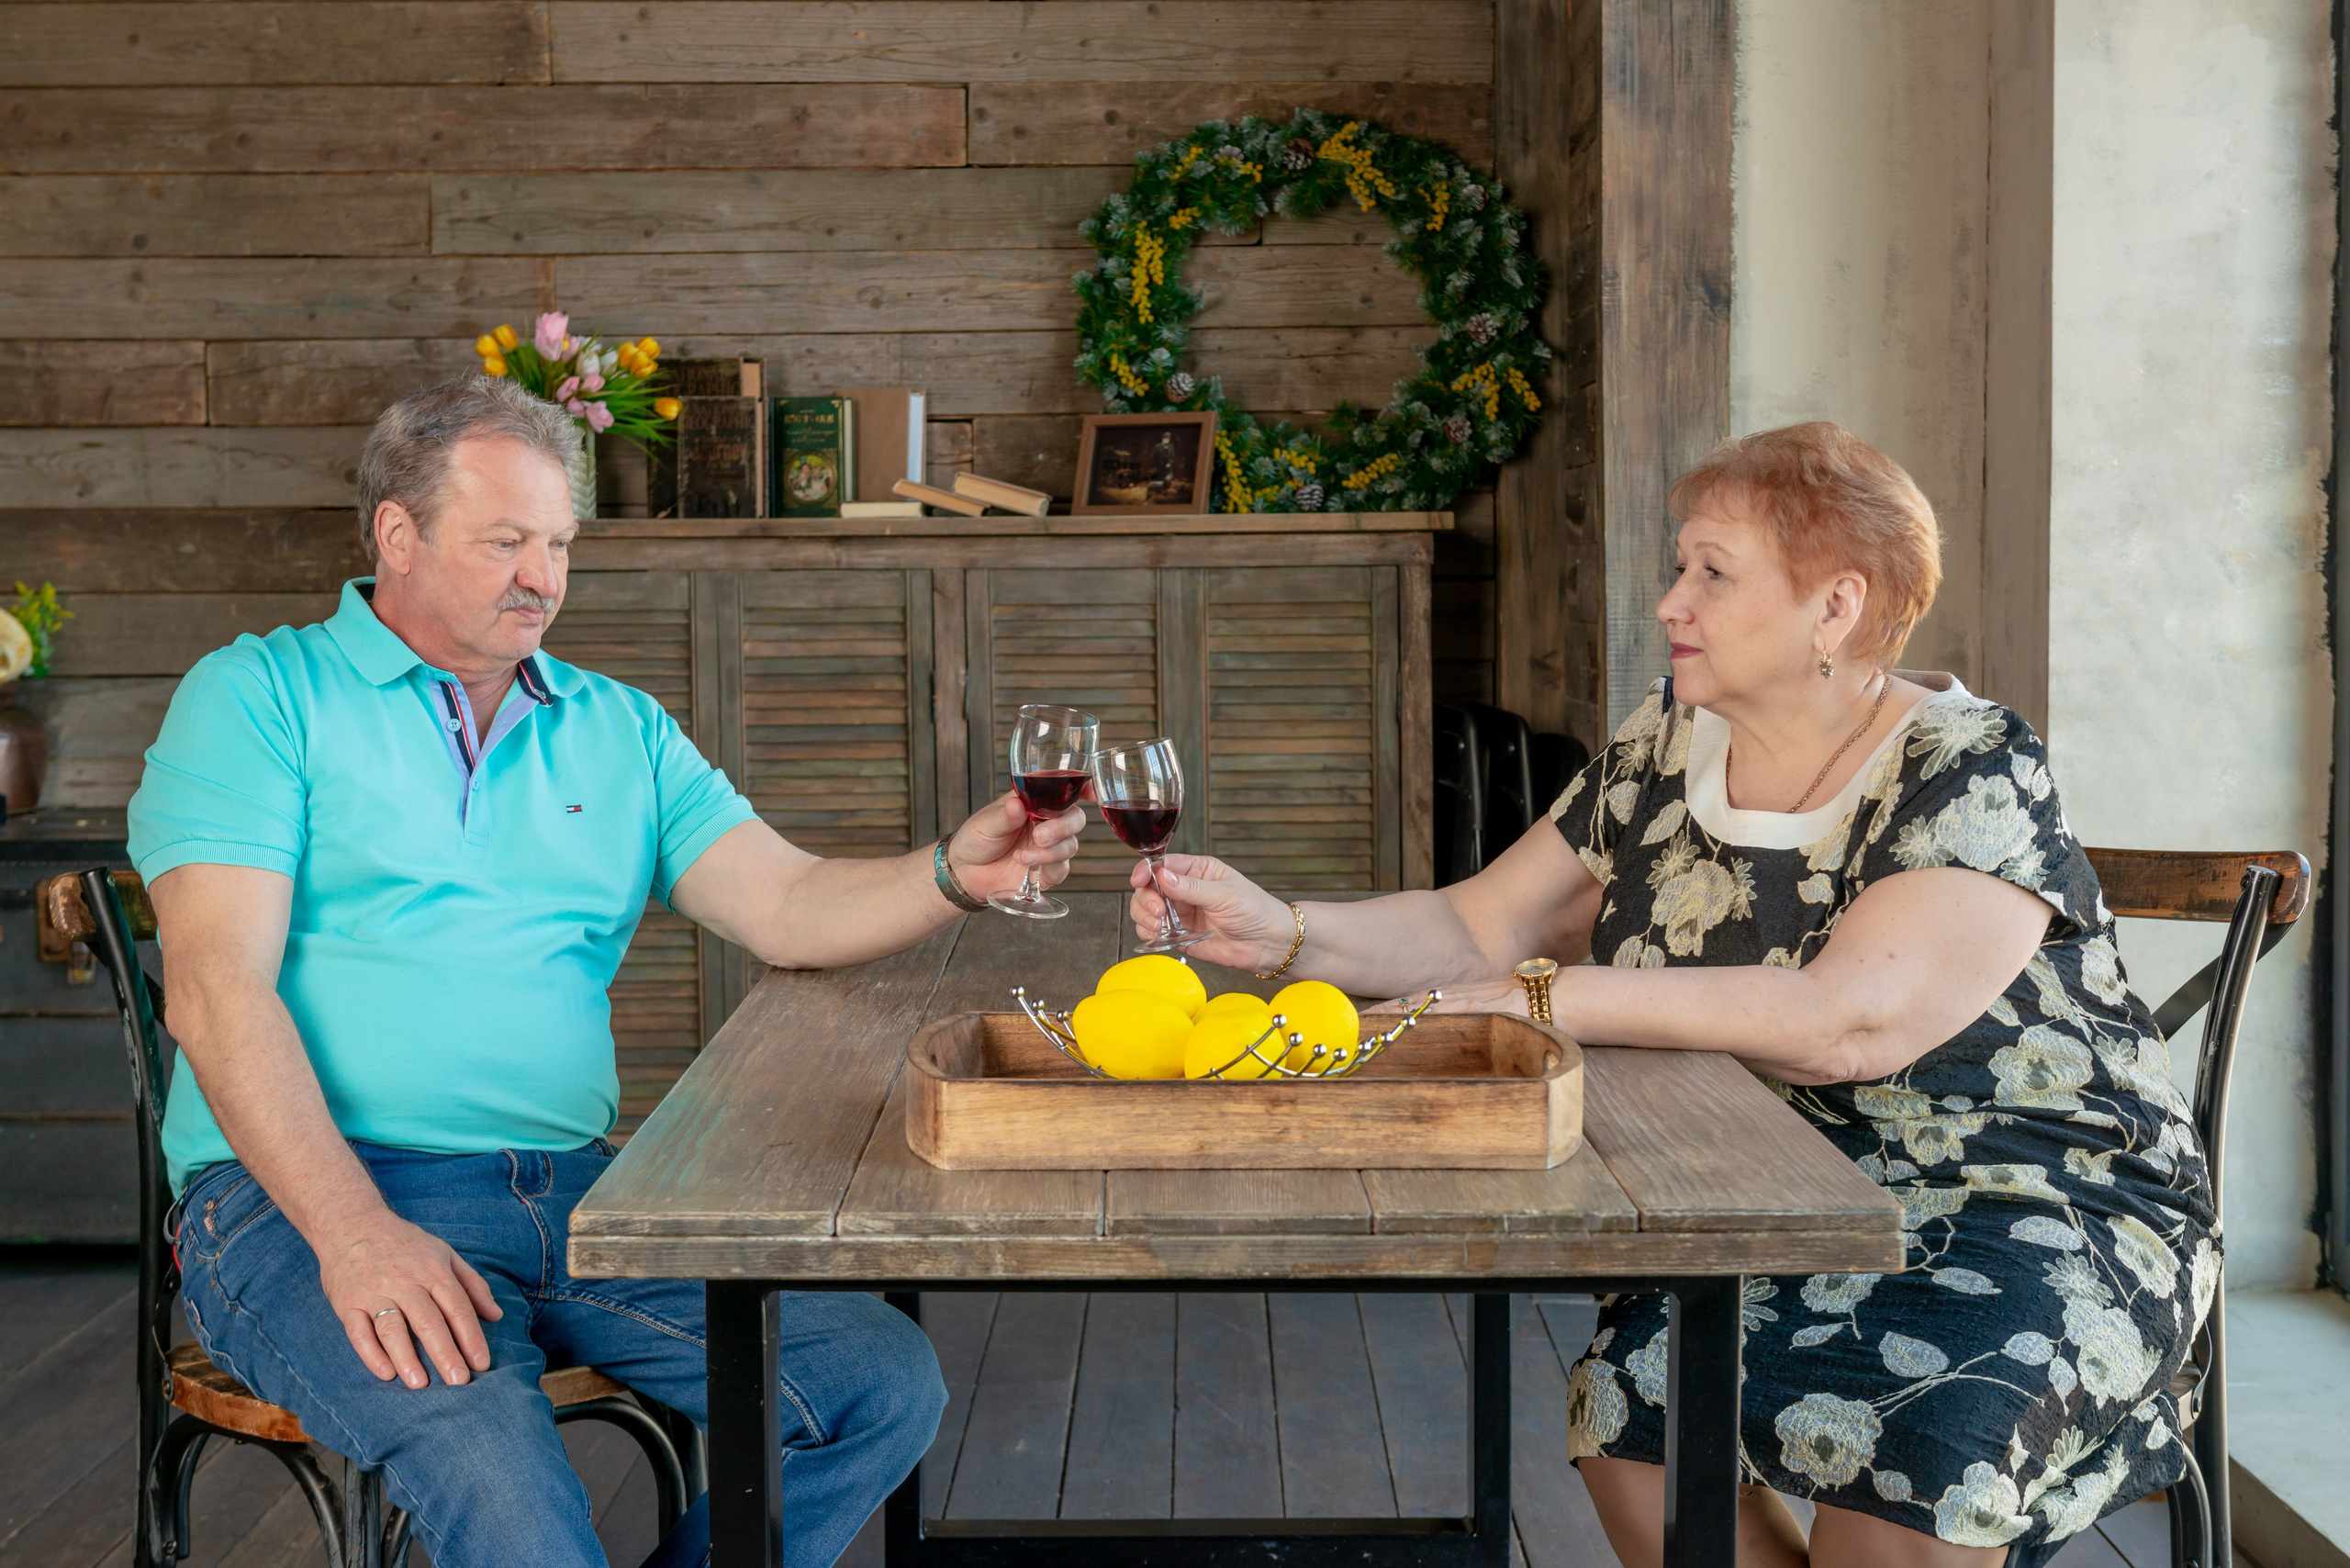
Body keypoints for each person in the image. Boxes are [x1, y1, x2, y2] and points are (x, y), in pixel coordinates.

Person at [1131, 422, 2210, 1568]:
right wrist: (1281, 929)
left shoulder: (1967, 762)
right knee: (1628, 1414)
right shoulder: (1667, 742)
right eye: (1679, 567)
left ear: (1833, 609)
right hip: (1764, 1195)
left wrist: (1547, 999)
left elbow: (1846, 1019)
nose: (1669, 604)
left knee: (1917, 1473)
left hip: (2034, 1198)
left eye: (1711, 573)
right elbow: (1475, 923)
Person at [133, 376, 1088, 1568]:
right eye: (507, 542)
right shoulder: (259, 697)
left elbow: (785, 903)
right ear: (398, 536)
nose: (544, 576)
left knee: (880, 1383)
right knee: (512, 1506)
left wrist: (954, 867)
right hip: (304, 1197)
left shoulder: (616, 728)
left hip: (582, 1197)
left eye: (560, 545)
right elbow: (217, 993)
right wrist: (357, 1233)